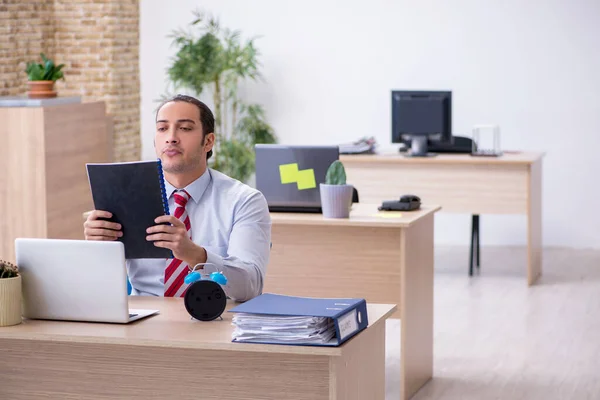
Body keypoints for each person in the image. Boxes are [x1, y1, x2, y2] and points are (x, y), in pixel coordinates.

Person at [83, 94, 271, 301]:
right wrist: (98, 248)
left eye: (185, 128)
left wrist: (196, 255)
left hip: (215, 320)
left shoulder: (244, 201)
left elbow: (250, 286)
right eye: (162, 128)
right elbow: (101, 287)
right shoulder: (126, 195)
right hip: (144, 318)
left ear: (208, 141)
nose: (171, 137)